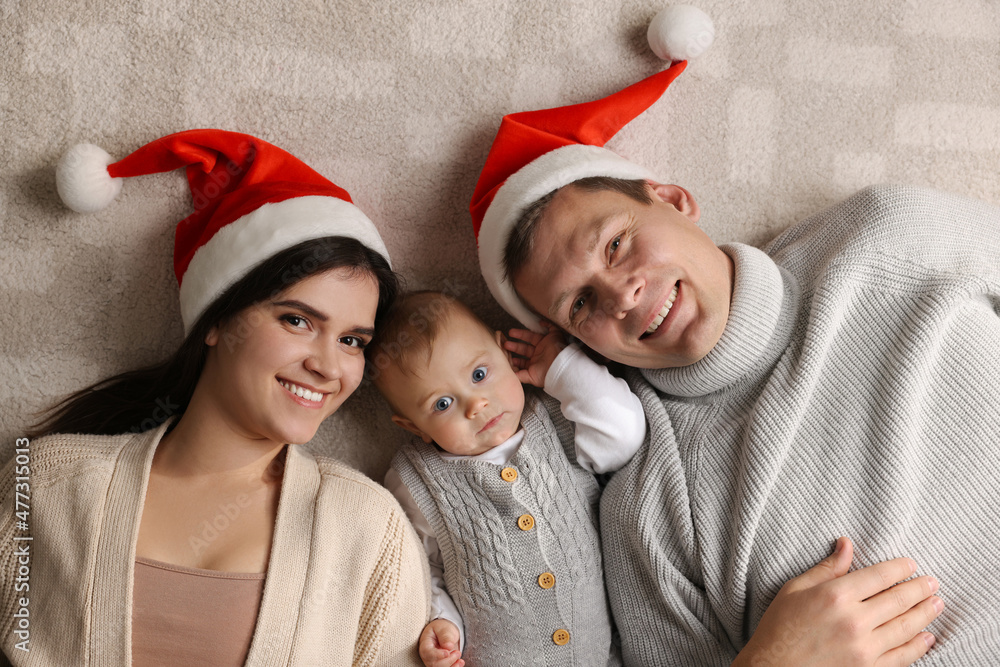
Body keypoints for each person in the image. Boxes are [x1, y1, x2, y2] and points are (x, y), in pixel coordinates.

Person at [467, 58, 976, 665]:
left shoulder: (884, 239)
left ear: (676, 201)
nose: (622, 294)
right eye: (581, 304)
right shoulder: (648, 511)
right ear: (577, 340)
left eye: (616, 243)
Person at [0, 130, 430, 665]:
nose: (328, 365)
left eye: (352, 341)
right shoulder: (43, 482)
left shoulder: (369, 527)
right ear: (217, 321)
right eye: (296, 320)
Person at [367, 291, 646, 665]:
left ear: (504, 352)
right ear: (414, 427)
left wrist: (562, 368)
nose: (475, 405)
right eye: (442, 404)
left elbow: (625, 435)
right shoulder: (416, 481)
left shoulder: (557, 420)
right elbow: (417, 568)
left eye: (480, 375)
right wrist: (443, 621)